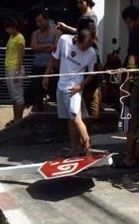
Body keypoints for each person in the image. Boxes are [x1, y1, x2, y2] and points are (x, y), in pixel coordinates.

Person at [43, 29, 97, 157]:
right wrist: (46, 75)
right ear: (77, 39)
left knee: (77, 119)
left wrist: (80, 85)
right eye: (84, 46)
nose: (86, 49)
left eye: (89, 46)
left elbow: (92, 74)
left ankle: (89, 151)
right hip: (61, 86)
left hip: (75, 88)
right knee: (71, 120)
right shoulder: (64, 40)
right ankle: (74, 151)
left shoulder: (91, 52)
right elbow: (53, 57)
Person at [114, 5, 139, 168]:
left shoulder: (137, 34)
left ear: (137, 20)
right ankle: (138, 153)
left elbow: (132, 60)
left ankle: (129, 157)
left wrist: (127, 83)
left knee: (132, 120)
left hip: (137, 83)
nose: (127, 26)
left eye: (129, 22)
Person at [29, 11, 61, 111]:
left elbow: (56, 48)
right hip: (37, 66)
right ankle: (39, 113)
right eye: (37, 22)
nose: (39, 24)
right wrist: (47, 46)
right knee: (36, 93)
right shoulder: (35, 33)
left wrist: (41, 47)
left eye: (40, 21)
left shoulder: (57, 32)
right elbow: (33, 47)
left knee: (55, 92)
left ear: (47, 20)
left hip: (53, 68)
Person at [76, 18, 102, 124]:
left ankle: (86, 137)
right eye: (91, 28)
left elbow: (97, 63)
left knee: (94, 115)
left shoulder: (93, 46)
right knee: (81, 116)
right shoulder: (74, 46)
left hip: (95, 85)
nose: (94, 30)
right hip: (81, 85)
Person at [4, 18, 26, 127]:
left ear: (13, 27)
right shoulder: (11, 37)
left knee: (18, 96)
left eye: (8, 28)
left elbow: (20, 55)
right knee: (13, 96)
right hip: (9, 68)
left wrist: (17, 72)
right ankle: (15, 118)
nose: (7, 30)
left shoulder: (20, 38)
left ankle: (19, 119)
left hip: (15, 69)